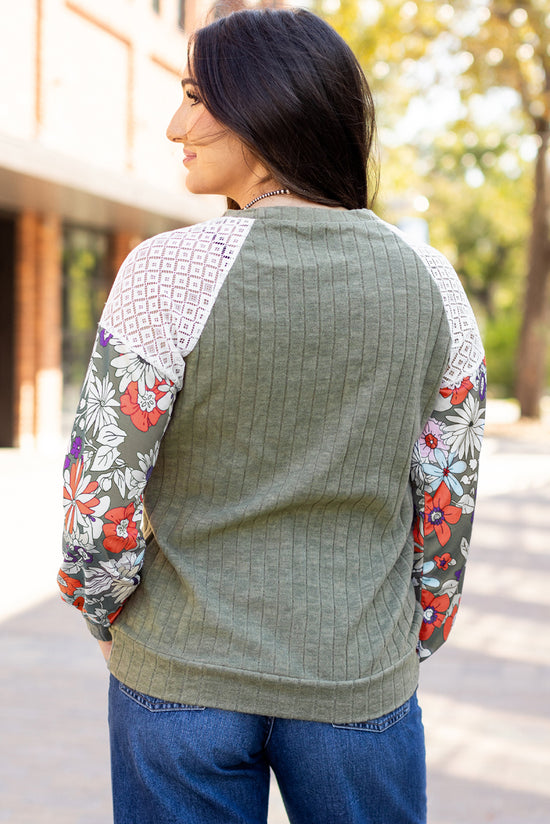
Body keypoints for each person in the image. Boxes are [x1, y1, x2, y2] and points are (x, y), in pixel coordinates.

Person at [58, 7, 486, 824]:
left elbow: (100, 500)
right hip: (359, 682)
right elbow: (447, 505)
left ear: (265, 107)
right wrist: (408, 638)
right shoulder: (435, 285)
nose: (175, 123)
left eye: (195, 96)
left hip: (179, 681)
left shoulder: (164, 275)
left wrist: (104, 614)